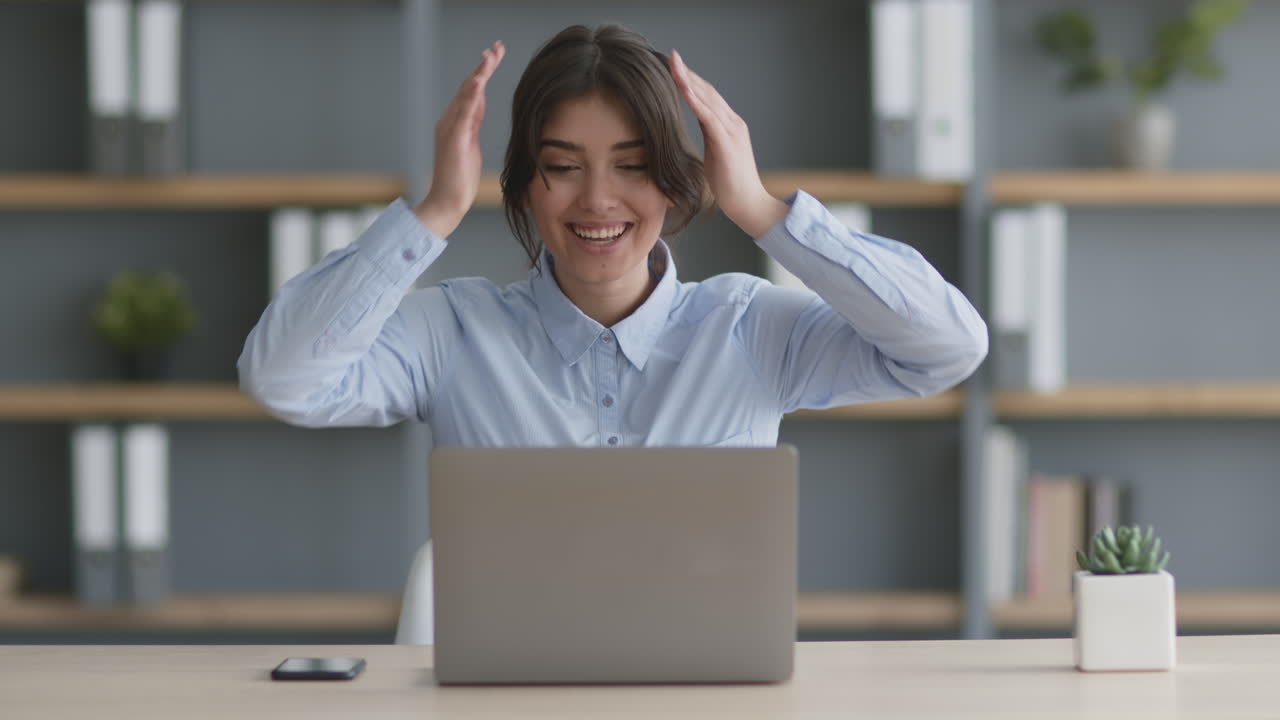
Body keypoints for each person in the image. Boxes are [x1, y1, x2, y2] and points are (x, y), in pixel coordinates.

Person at [238, 24, 987, 450]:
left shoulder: (749, 327)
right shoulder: (452, 333)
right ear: (526, 183)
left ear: (672, 178)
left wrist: (761, 210)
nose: (598, 200)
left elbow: (947, 348)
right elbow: (281, 380)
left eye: (632, 167)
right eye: (562, 167)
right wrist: (434, 211)